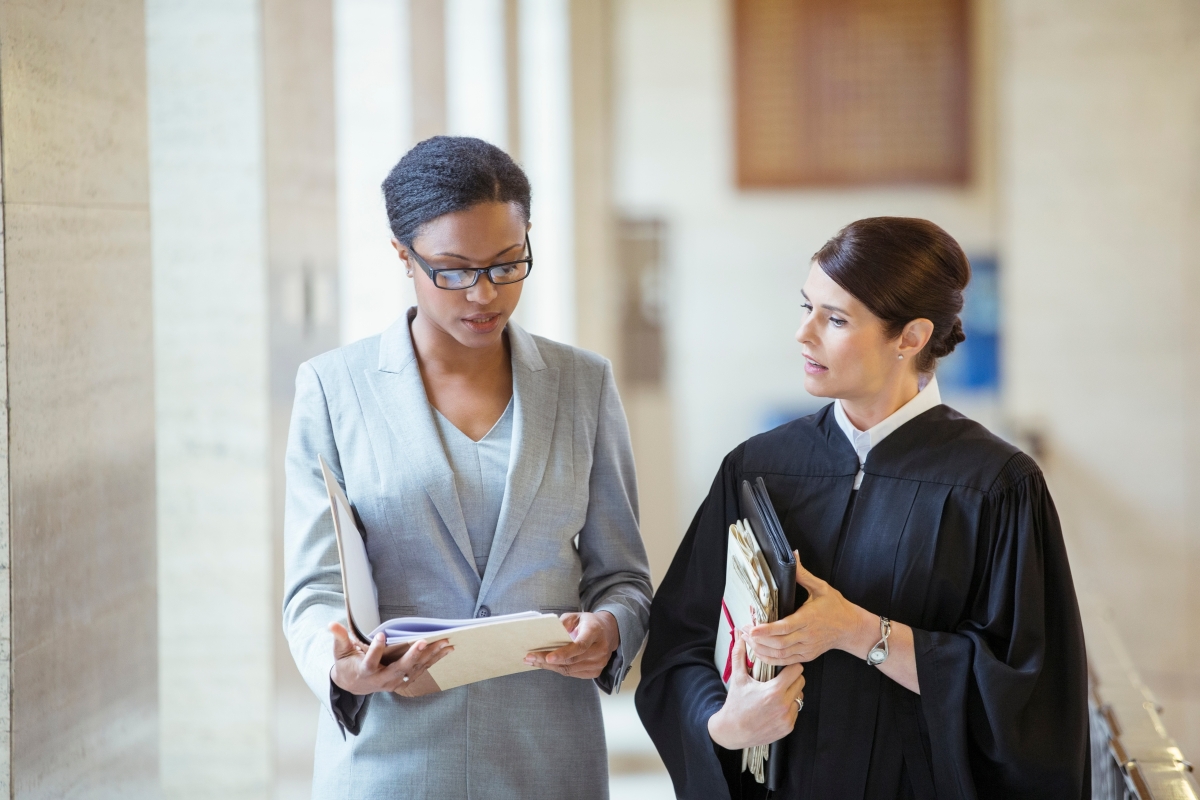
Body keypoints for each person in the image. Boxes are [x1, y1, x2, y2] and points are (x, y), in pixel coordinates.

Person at [635, 217, 1089, 799]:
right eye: (806, 307)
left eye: (836, 319)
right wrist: (723, 724)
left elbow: (1030, 695)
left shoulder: (996, 486)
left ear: (911, 337)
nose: (804, 334)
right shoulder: (757, 469)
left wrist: (860, 632)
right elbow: (681, 646)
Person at [282, 136, 652, 799]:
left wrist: (612, 629)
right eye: (452, 270)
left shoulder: (582, 385)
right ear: (404, 256)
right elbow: (312, 589)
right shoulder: (336, 389)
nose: (484, 295)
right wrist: (339, 669)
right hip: (391, 755)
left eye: (507, 265)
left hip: (547, 754)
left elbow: (622, 574)